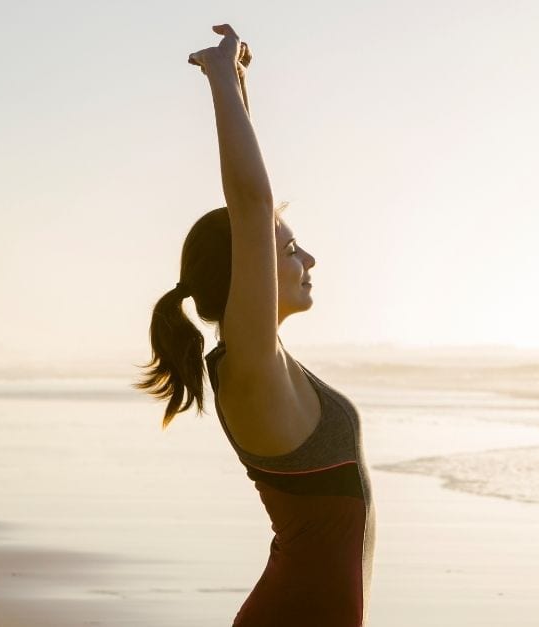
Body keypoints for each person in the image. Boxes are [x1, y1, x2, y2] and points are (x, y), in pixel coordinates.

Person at [135, 25, 374, 626]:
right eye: (291, 251)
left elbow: (253, 210)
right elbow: (250, 204)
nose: (308, 260)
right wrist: (220, 82)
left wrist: (239, 89)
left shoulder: (267, 363)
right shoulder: (250, 367)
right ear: (249, 273)